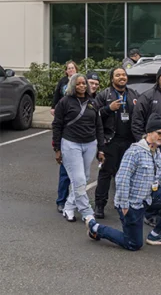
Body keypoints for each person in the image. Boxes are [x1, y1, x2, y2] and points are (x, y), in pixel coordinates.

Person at [87, 119, 161, 249]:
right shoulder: (134, 152)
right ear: (149, 133)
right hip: (132, 203)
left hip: (149, 197)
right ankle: (95, 227)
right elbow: (122, 179)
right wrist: (124, 205)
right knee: (133, 244)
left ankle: (158, 234)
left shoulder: (156, 151)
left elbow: (157, 177)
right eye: (159, 133)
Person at [53, 73, 105, 223]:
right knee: (79, 179)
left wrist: (101, 149)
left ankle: (69, 206)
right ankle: (86, 211)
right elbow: (57, 125)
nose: (82, 86)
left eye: (84, 84)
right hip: (71, 144)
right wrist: (57, 148)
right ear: (73, 85)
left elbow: (98, 126)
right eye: (79, 84)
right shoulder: (64, 102)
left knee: (85, 178)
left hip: (90, 144)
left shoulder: (93, 102)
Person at [94, 67, 140, 220]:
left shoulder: (133, 95)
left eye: (124, 75)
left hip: (130, 142)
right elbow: (94, 115)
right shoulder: (104, 95)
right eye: (118, 75)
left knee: (126, 175)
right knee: (106, 174)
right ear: (112, 78)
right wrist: (109, 108)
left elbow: (141, 115)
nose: (122, 77)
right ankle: (99, 205)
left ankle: (123, 203)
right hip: (110, 140)